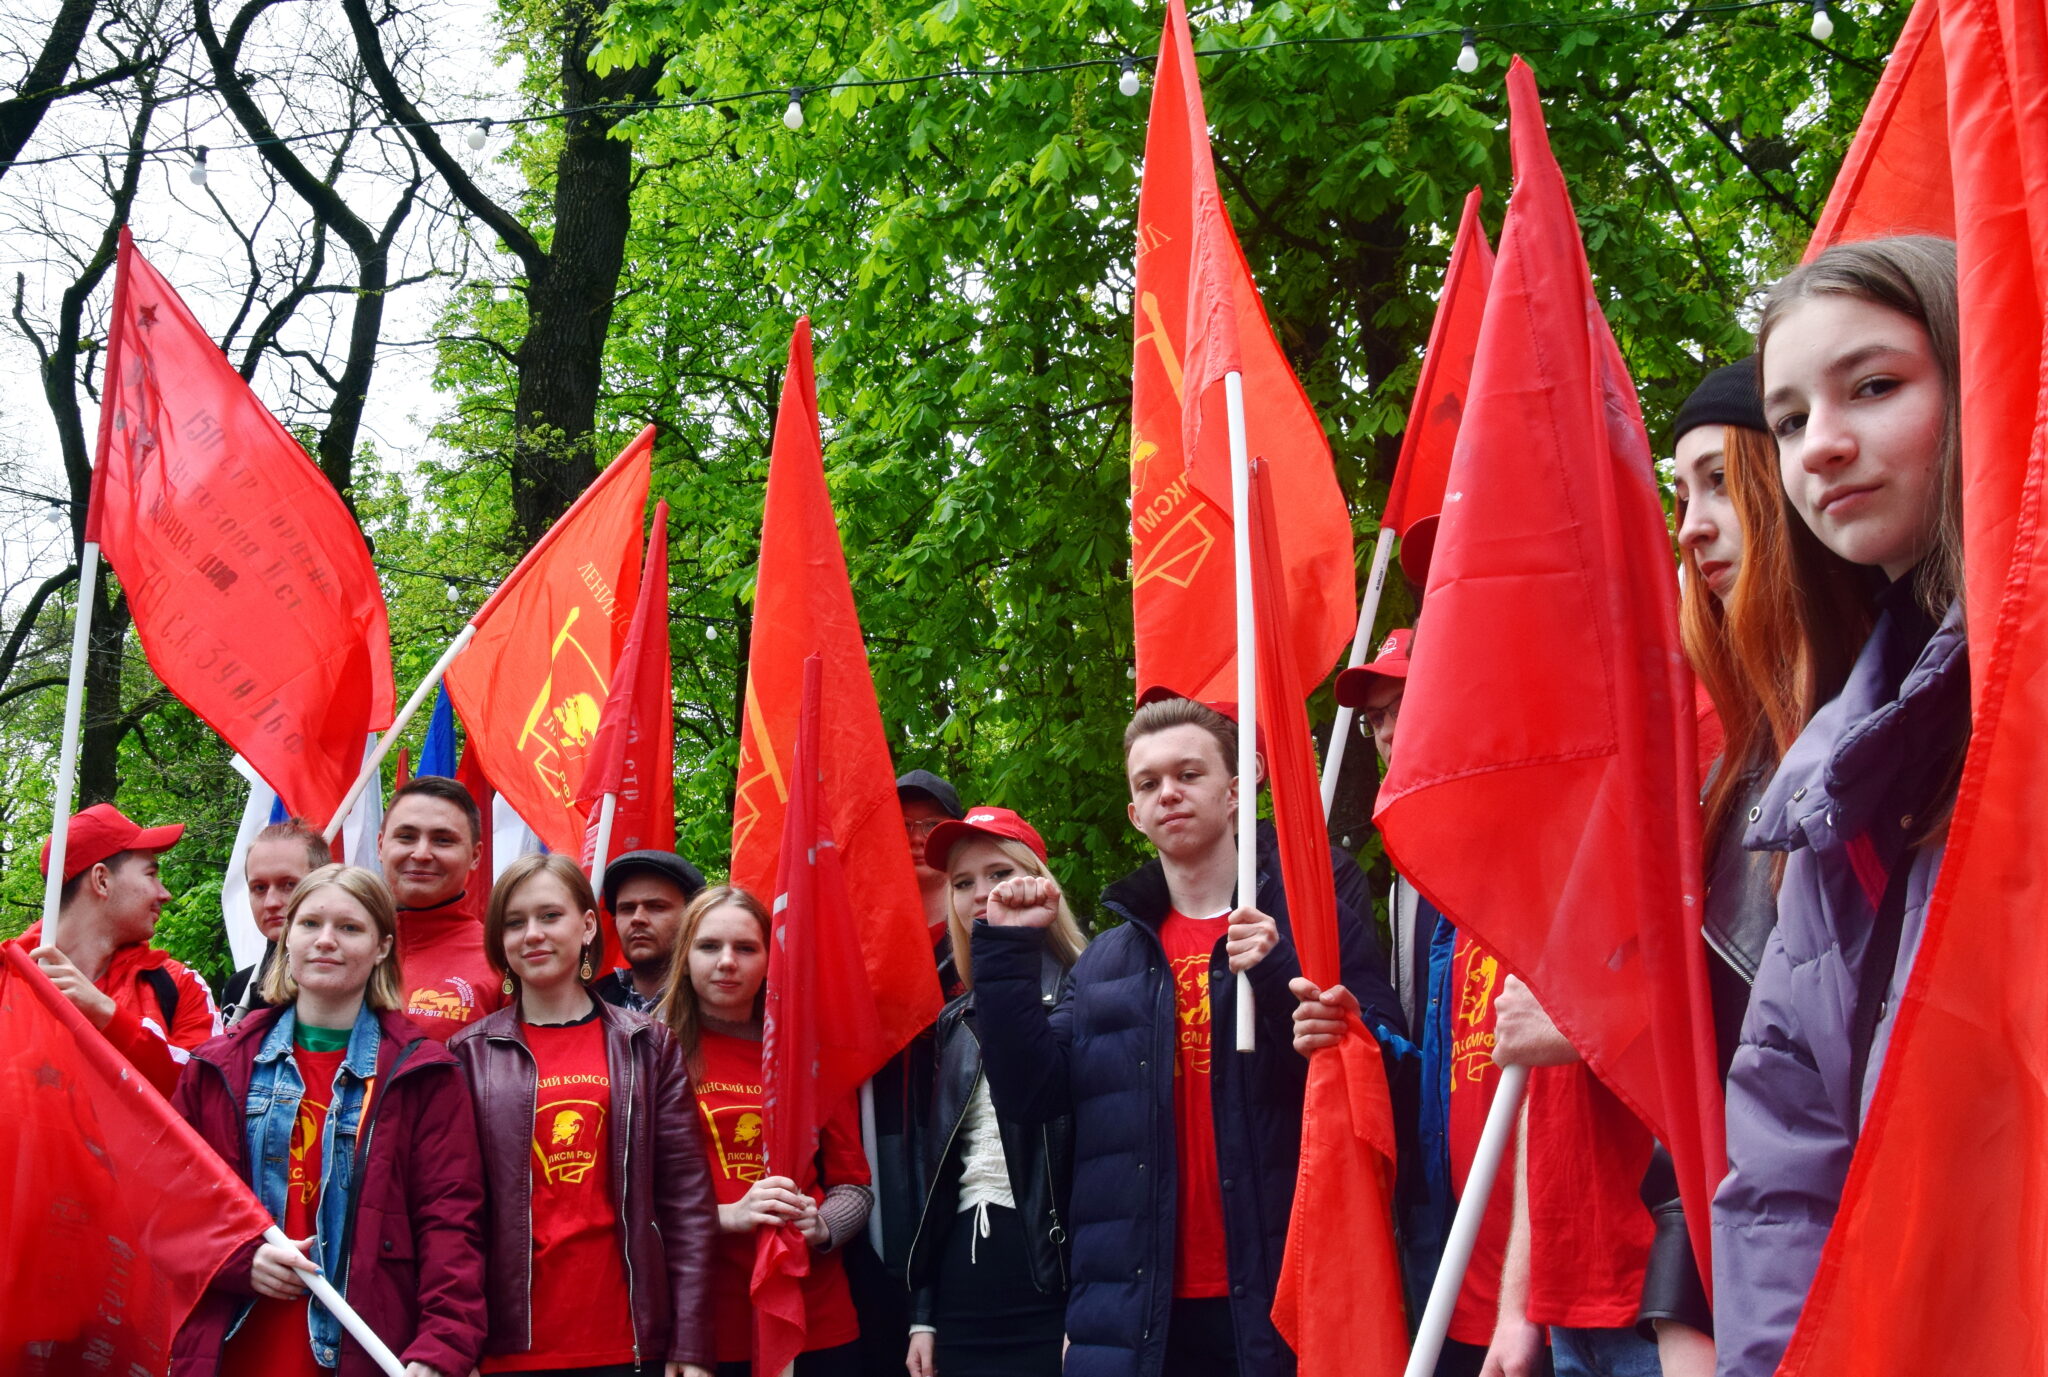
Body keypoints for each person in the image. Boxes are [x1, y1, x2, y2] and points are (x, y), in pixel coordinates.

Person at [1713, 236, 1968, 1377]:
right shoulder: (1829, 789)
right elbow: (1785, 1157)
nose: (1820, 446)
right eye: (1788, 416)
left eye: (1872, 387)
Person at [972, 696, 1393, 1377]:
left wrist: (1283, 969)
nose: (1168, 791)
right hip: (1137, 1315)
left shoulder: (1311, 926)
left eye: (1188, 774)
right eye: (1148, 782)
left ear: (1235, 791)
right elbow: (1029, 1094)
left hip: (1283, 1298)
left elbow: (1385, 1078)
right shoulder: (1106, 962)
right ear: (1135, 815)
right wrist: (1004, 956)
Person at [1634, 360, 1811, 1375]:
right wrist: (1681, 1317)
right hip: (1742, 1309)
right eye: (1679, 494)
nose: (1690, 525)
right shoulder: (1739, 772)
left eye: (1716, 482)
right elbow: (1706, 1096)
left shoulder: (1927, 732)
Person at [1298, 631, 1520, 1377]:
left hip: (1529, 1201)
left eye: (1403, 704)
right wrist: (1354, 1031)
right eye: (1376, 719)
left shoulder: (1524, 833)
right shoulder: (1403, 874)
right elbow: (1422, 1037)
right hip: (1442, 1207)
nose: (1389, 730)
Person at [169, 864, 486, 1377]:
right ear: (286, 938)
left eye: (350, 928)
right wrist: (237, 1260)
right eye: (310, 924)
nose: (326, 941)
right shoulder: (217, 1067)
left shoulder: (424, 1073)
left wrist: (443, 1346)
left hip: (370, 1349)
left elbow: (450, 1222)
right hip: (235, 1345)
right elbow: (171, 1206)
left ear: (382, 947)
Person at [450, 853, 719, 1376]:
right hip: (508, 1348)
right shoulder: (468, 1053)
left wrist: (691, 1341)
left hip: (628, 1342)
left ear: (587, 925)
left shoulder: (648, 1044)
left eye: (550, 916)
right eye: (514, 921)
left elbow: (687, 1202)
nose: (533, 934)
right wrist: (457, 1344)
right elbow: (455, 1217)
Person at [905, 807, 1085, 1377]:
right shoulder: (954, 1018)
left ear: (1039, 880)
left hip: (1055, 1285)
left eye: (1000, 873)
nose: (981, 894)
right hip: (961, 1286)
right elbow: (934, 1170)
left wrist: (1092, 1309)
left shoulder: (1095, 985)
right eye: (963, 883)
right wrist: (923, 1314)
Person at [664, 886, 873, 1377]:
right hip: (709, 1319)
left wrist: (822, 1224)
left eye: (746, 948)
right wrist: (725, 1215)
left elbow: (855, 1186)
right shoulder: (653, 1052)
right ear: (686, 956)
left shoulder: (807, 1055)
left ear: (769, 959)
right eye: (709, 946)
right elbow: (633, 1199)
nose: (727, 962)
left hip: (815, 1314)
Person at [20, 803, 216, 1097]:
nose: (165, 894)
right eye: (151, 874)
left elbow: (210, 1094)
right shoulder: (8, 982)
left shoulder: (181, 985)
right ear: (102, 880)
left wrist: (107, 1015)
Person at [377, 776, 506, 1040]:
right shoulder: (339, 944)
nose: (422, 854)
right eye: (406, 837)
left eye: (443, 840)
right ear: (381, 845)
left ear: (475, 856)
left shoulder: (501, 961)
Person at [222, 820, 332, 1015]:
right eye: (259, 888)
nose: (271, 902)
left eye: (289, 884)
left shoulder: (351, 980)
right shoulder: (238, 990)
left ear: (323, 884)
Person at [595, 849, 707, 1013]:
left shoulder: (719, 1004)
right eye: (627, 909)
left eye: (656, 907)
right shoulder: (587, 1004)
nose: (637, 918)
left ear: (692, 918)